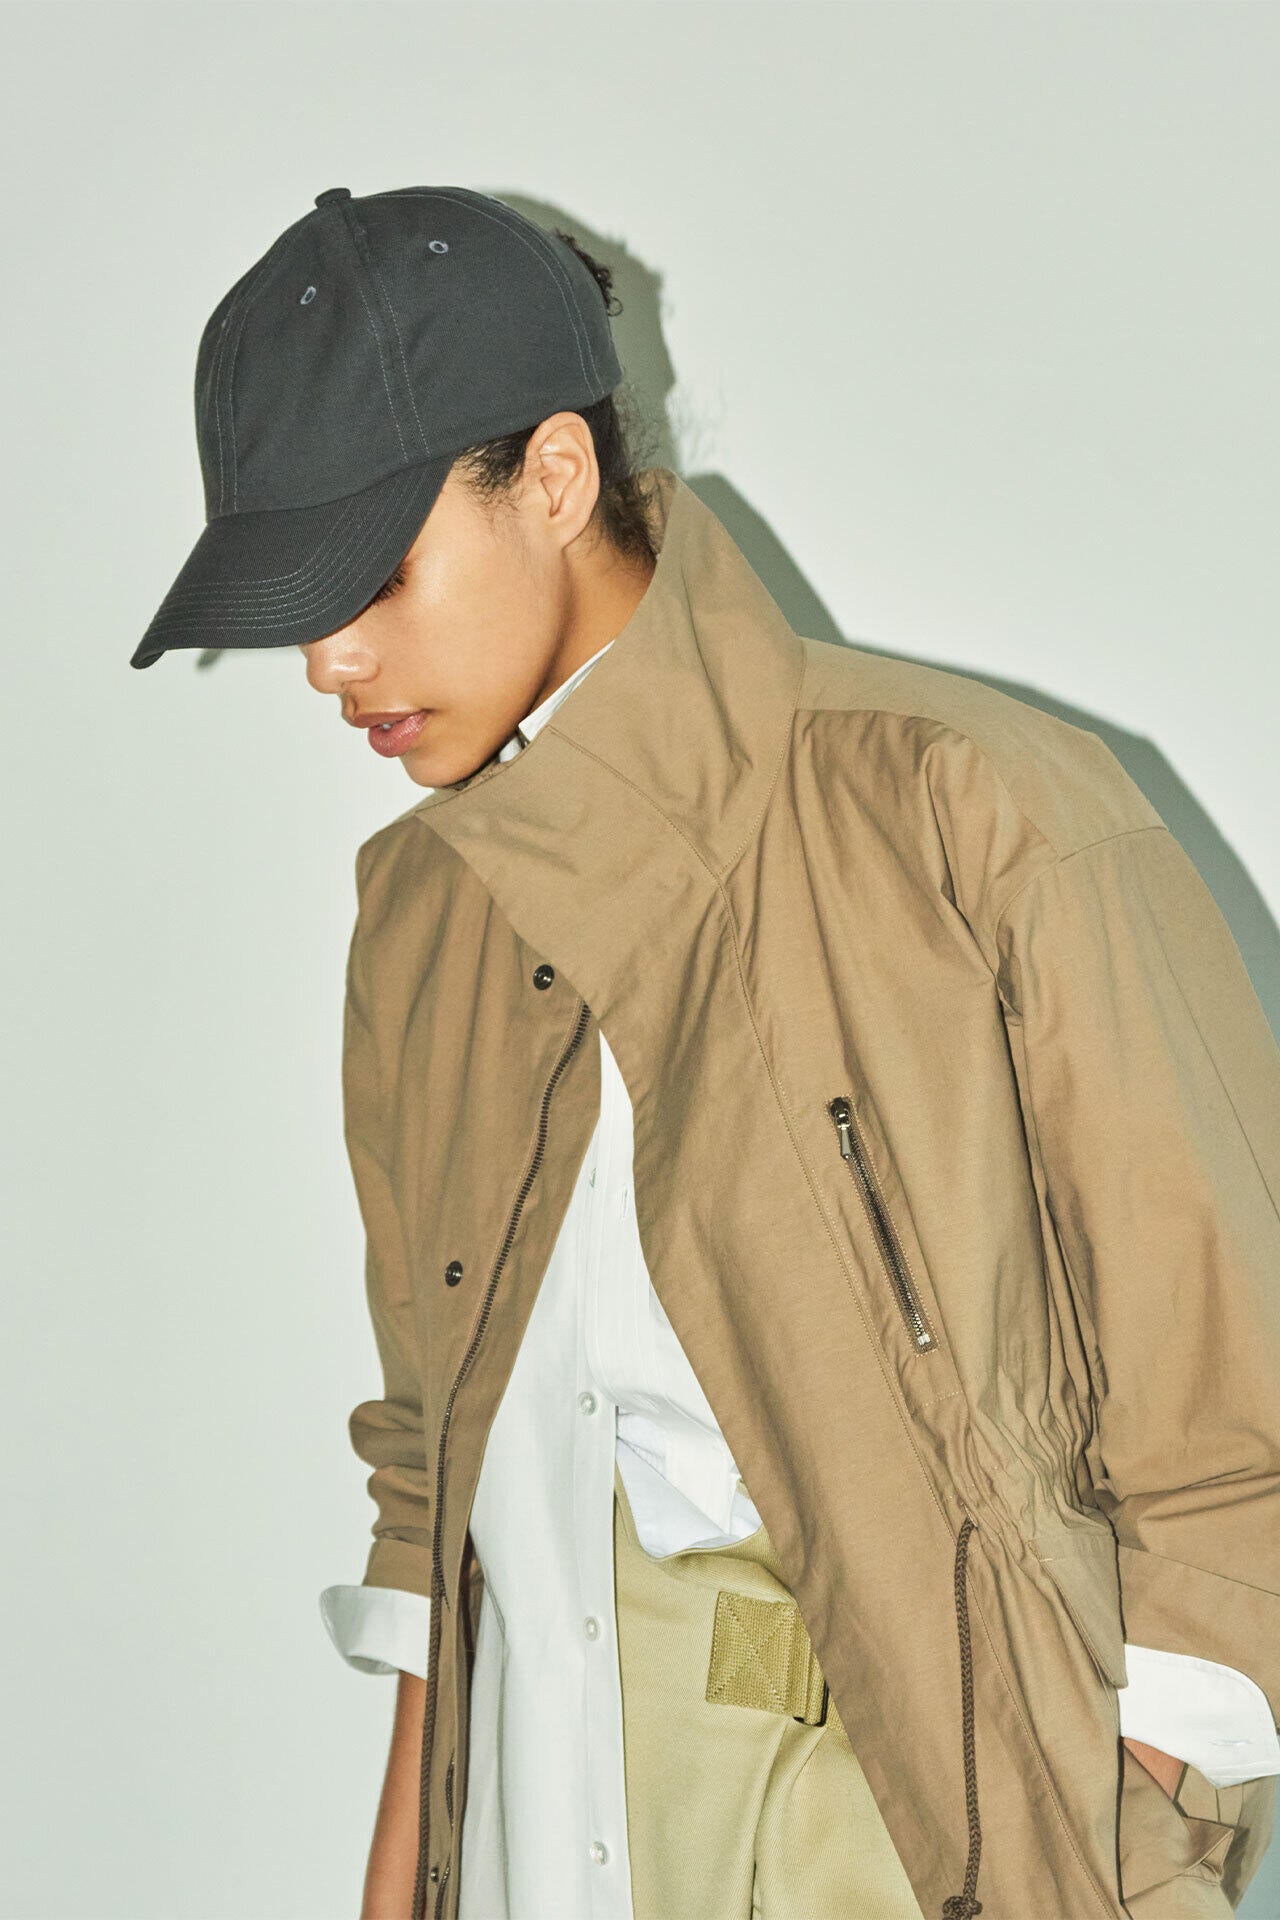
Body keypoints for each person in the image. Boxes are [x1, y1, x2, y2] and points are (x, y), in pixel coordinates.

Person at [131, 184, 1280, 1920]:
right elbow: (435, 1477)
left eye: (370, 574)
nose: (328, 659)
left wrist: (1124, 1821)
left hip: (930, 1820)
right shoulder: (420, 918)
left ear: (554, 479)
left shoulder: (973, 814)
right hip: (557, 1803)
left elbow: (1227, 1407)